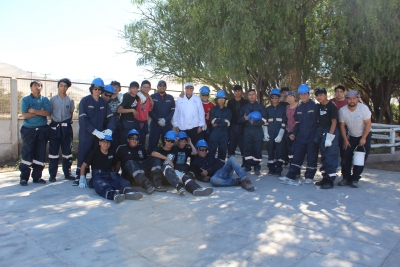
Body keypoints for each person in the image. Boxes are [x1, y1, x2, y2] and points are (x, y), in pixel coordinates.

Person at [74, 78, 115, 186]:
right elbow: (83, 119)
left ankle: (96, 175)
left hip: (99, 136)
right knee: (83, 155)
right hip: (87, 135)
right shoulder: (85, 101)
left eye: (99, 89)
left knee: (97, 157)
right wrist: (94, 131)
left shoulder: (104, 103)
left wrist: (110, 129)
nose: (97, 90)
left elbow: (111, 118)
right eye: (95, 88)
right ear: (92, 89)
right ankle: (80, 176)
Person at [77, 135, 143, 203]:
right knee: (100, 185)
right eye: (104, 142)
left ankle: (129, 192)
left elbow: (115, 165)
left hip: (110, 174)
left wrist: (116, 175)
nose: (106, 144)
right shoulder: (94, 152)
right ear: (99, 143)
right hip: (98, 175)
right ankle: (114, 194)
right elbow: (83, 165)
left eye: (108, 142)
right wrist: (82, 178)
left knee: (122, 181)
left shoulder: (112, 152)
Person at [151, 131, 213, 196]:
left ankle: (196, 189)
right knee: (167, 166)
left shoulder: (174, 149)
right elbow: (153, 153)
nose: (170, 143)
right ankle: (179, 187)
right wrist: (167, 159)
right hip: (162, 175)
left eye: (172, 141)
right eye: (168, 140)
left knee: (185, 177)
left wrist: (189, 143)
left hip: (172, 176)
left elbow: (193, 152)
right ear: (164, 140)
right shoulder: (159, 149)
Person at [280, 84, 319, 186]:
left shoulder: (315, 106)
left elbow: (319, 123)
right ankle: (291, 175)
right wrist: (294, 134)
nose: (303, 96)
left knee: (311, 157)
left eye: (305, 94)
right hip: (301, 137)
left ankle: (309, 176)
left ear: (308, 94)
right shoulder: (299, 108)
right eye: (301, 94)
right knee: (297, 156)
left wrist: (317, 137)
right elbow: (297, 123)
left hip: (312, 137)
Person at [19, 81, 51, 186]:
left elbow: (48, 113)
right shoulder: (25, 99)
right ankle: (24, 178)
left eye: (39, 85)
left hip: (42, 130)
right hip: (29, 130)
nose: (37, 87)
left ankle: (37, 177)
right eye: (35, 85)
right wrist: (39, 111)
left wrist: (33, 111)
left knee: (40, 154)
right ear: (31, 88)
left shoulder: (45, 99)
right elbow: (24, 115)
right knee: (27, 153)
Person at [338, 90, 372, 188]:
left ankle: (355, 179)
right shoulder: (342, 110)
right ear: (346, 99)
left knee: (360, 158)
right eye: (349, 99)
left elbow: (368, 124)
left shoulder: (364, 108)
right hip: (351, 136)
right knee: (345, 155)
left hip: (364, 135)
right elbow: (342, 126)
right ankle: (346, 178)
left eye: (354, 98)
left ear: (357, 99)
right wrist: (345, 139)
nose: (352, 101)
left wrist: (364, 138)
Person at [114, 129, 163, 194]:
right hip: (130, 174)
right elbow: (118, 163)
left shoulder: (141, 147)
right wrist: (115, 175)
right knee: (130, 162)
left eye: (137, 139)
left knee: (156, 160)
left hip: (142, 170)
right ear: (128, 140)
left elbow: (146, 161)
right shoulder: (121, 148)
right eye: (132, 138)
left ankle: (157, 184)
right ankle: (147, 185)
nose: (135, 140)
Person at [48, 78, 75, 182]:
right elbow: (50, 113)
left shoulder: (70, 100)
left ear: (67, 88)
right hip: (55, 128)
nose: (63, 88)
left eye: (65, 86)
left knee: (67, 152)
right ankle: (52, 175)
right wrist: (56, 123)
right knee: (53, 152)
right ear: (58, 86)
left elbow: (71, 113)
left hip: (66, 128)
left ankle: (67, 173)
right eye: (61, 85)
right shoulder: (53, 100)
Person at [314, 88, 339, 189]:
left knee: (330, 157)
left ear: (325, 95)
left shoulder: (331, 105)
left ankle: (330, 180)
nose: (319, 97)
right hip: (322, 133)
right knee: (324, 157)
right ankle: (325, 178)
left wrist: (330, 137)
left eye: (321, 95)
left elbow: (334, 122)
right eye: (317, 95)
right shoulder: (319, 106)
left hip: (330, 133)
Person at [238, 89, 267, 175]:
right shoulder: (244, 107)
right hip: (247, 131)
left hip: (257, 131)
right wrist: (244, 119)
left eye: (253, 94)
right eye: (250, 94)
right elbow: (239, 120)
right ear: (247, 96)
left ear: (256, 95)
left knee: (257, 149)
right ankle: (247, 167)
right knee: (247, 149)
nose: (251, 96)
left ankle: (257, 168)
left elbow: (265, 119)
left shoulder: (261, 107)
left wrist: (256, 122)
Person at [172, 82, 205, 149]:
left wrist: (200, 126)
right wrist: (176, 124)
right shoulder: (180, 99)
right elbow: (176, 112)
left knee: (194, 145)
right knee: (182, 145)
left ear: (193, 89)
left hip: (194, 127)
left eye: (191, 88)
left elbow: (201, 112)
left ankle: (193, 159)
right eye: (187, 88)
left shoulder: (197, 99)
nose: (189, 89)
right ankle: (182, 159)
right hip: (182, 126)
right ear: (185, 89)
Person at [147, 80, 175, 153]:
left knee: (167, 144)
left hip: (167, 125)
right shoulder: (152, 97)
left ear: (166, 87)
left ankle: (166, 161)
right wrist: (157, 120)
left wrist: (165, 120)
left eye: (163, 86)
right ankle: (151, 160)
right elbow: (149, 111)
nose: (162, 87)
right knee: (152, 144)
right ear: (157, 87)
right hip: (155, 124)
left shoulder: (170, 98)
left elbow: (173, 111)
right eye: (160, 86)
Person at [264, 88, 287, 177]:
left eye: (276, 97)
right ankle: (271, 169)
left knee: (280, 152)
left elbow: (284, 123)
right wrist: (265, 133)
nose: (274, 99)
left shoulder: (283, 109)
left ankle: (278, 170)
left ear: (279, 98)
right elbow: (265, 122)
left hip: (279, 133)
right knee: (270, 151)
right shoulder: (267, 109)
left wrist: (281, 134)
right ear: (270, 98)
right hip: (270, 133)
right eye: (272, 97)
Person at [227, 85, 248, 164]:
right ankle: (231, 163)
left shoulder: (245, 102)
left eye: (239, 91)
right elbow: (228, 114)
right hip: (232, 126)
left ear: (241, 92)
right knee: (232, 144)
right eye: (236, 91)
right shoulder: (230, 102)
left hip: (243, 126)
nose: (237, 92)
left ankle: (245, 163)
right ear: (234, 92)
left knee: (243, 145)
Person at [209, 90, 232, 160]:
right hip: (215, 133)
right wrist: (223, 120)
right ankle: (211, 166)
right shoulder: (213, 110)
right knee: (212, 150)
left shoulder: (228, 110)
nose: (221, 100)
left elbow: (228, 123)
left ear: (225, 100)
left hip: (224, 134)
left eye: (223, 99)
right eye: (219, 99)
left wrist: (218, 121)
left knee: (222, 151)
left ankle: (221, 166)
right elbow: (212, 121)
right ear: (217, 100)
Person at [118, 81, 140, 145]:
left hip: (134, 122)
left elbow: (145, 94)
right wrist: (132, 110)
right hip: (125, 122)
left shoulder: (138, 96)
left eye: (136, 88)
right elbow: (119, 110)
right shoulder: (126, 97)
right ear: (129, 88)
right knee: (125, 142)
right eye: (133, 88)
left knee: (134, 141)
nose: (135, 90)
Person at [331, 85, 347, 170]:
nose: (339, 93)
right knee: (334, 146)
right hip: (334, 127)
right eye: (337, 91)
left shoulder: (347, 102)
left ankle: (344, 165)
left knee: (344, 147)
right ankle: (335, 164)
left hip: (345, 127)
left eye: (341, 91)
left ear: (343, 93)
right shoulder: (331, 102)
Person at [135, 80, 154, 146]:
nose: (146, 88)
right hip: (136, 121)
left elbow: (148, 111)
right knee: (134, 139)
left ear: (150, 88)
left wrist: (149, 97)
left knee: (142, 140)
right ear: (141, 87)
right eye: (144, 87)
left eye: (147, 87)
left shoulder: (149, 100)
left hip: (144, 122)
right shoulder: (137, 96)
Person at [284, 91, 298, 164]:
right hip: (288, 131)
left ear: (294, 97)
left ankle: (296, 168)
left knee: (296, 150)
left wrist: (295, 133)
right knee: (290, 151)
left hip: (297, 132)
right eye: (287, 97)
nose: (289, 99)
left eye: (291, 97)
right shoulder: (287, 107)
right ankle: (291, 165)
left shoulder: (299, 106)